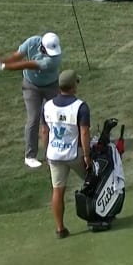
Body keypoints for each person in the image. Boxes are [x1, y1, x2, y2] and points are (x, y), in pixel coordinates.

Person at [0, 32, 64, 169]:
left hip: (51, 86)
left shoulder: (53, 60)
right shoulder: (32, 42)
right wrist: (0, 61)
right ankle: (30, 156)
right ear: (41, 46)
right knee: (33, 118)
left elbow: (27, 64)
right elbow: (17, 56)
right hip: (31, 86)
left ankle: (53, 153)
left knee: (54, 118)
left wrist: (2, 67)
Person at [40, 70, 91, 239]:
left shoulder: (47, 106)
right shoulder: (80, 106)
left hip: (54, 155)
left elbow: (44, 131)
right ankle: (98, 216)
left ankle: (60, 229)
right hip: (73, 154)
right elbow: (84, 133)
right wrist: (87, 156)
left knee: (57, 191)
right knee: (93, 182)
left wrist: (46, 152)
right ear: (73, 86)